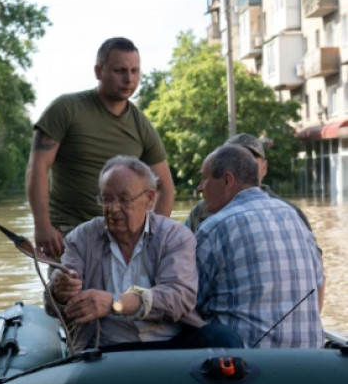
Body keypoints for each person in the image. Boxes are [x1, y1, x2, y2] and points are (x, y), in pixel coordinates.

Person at [47, 156, 239, 353]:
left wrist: (115, 303)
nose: (112, 209)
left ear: (149, 199)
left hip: (172, 343)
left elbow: (179, 297)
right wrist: (59, 292)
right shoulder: (81, 238)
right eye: (106, 199)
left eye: (123, 200)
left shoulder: (174, 236)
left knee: (222, 338)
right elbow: (54, 306)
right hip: (107, 348)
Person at [26, 37, 175, 259]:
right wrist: (42, 226)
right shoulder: (66, 109)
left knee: (123, 295)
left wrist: (151, 236)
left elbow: (166, 187)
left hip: (121, 236)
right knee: (69, 293)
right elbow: (37, 168)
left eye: (135, 71)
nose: (129, 79)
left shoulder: (140, 124)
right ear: (98, 71)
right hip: (70, 232)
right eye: (120, 71)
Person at [195, 145, 325, 348]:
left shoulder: (214, 228)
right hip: (308, 362)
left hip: (245, 369)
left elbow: (187, 301)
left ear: (227, 181)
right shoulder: (293, 215)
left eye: (204, 178)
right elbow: (319, 282)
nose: (200, 187)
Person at [186, 133, 315, 235]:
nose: (241, 166)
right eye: (233, 159)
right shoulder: (201, 210)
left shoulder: (291, 212)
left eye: (249, 159)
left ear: (264, 168)